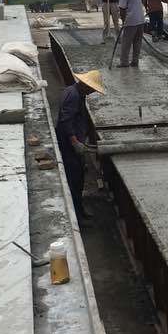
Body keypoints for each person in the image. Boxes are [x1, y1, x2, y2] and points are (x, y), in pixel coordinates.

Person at [55, 70, 104, 223]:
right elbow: (66, 120)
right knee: (74, 179)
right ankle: (77, 215)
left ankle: (79, 210)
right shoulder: (74, 96)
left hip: (74, 141)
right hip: (69, 145)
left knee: (79, 177)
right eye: (91, 89)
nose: (91, 92)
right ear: (86, 85)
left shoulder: (75, 92)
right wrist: (74, 141)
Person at [114, 0, 147, 66]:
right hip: (141, 19)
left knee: (126, 42)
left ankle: (124, 62)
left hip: (131, 21)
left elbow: (122, 9)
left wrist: (123, 21)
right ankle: (135, 61)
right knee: (137, 42)